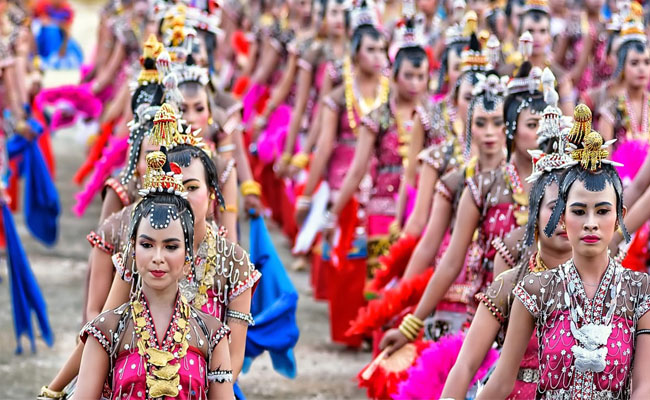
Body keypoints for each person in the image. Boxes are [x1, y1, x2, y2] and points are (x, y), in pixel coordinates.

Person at [477, 104, 650, 399]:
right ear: (562, 216)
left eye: (603, 211)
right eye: (579, 211)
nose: (591, 224)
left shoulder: (640, 291)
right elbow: (501, 383)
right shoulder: (533, 289)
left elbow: (644, 385)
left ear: (619, 215)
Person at [379, 61, 547, 353]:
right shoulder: (480, 186)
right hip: (487, 316)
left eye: (545, 124)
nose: (489, 132)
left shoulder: (560, 187)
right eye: (532, 125)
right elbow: (448, 258)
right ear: (514, 129)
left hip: (546, 317)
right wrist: (409, 320)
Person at [440, 77, 573, 399]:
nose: (567, 219)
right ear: (535, 211)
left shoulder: (619, 286)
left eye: (581, 210)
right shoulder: (514, 279)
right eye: (555, 208)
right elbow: (473, 367)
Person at [75, 148, 234, 399]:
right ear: (132, 253)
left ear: (188, 259)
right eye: (147, 245)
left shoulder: (213, 334)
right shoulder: (105, 331)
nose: (158, 257)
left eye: (171, 247)